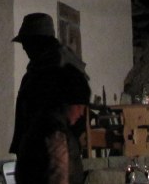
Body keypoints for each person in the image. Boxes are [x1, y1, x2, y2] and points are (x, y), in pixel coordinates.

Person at [9, 12, 89, 156]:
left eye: (26, 42)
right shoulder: (41, 68)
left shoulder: (55, 68)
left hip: (51, 152)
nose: (24, 48)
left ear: (38, 41)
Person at [14, 69, 91, 184]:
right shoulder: (55, 133)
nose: (81, 113)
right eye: (79, 106)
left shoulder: (39, 126)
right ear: (67, 103)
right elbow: (58, 175)